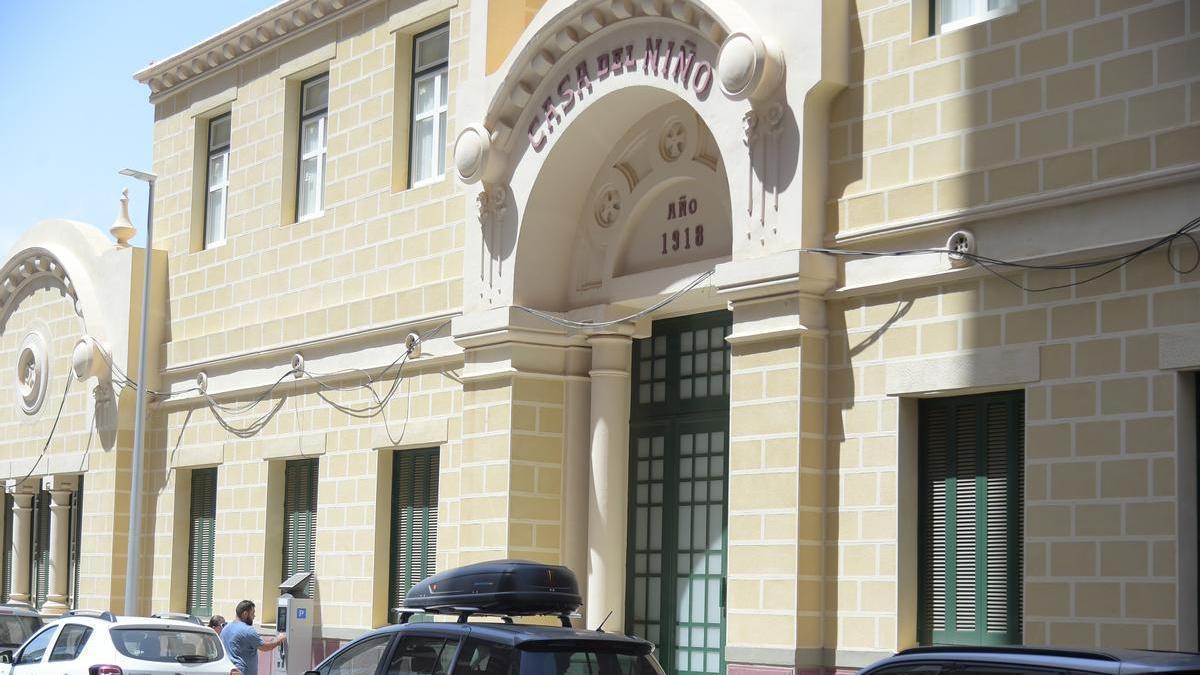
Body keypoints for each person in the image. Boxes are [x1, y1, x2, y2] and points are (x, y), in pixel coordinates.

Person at [220, 600, 285, 675]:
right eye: (252, 613)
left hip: (228, 671)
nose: (254, 616)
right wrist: (278, 640)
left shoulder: (225, 628)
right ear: (245, 614)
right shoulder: (247, 630)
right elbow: (265, 647)